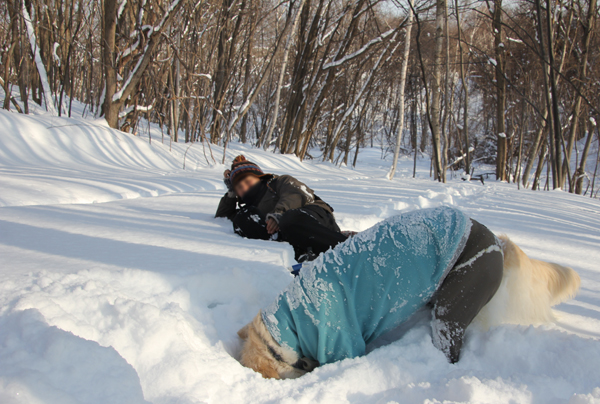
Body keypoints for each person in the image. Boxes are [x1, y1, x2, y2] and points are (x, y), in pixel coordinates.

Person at [215, 155, 347, 262]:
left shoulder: (278, 182)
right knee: (243, 217)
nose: (244, 188)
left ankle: (345, 248)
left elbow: (297, 194)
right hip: (291, 237)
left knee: (290, 219)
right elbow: (222, 216)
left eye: (248, 181)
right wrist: (231, 192)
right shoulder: (251, 206)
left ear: (259, 177)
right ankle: (300, 255)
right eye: (239, 187)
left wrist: (278, 215)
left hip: (313, 218)